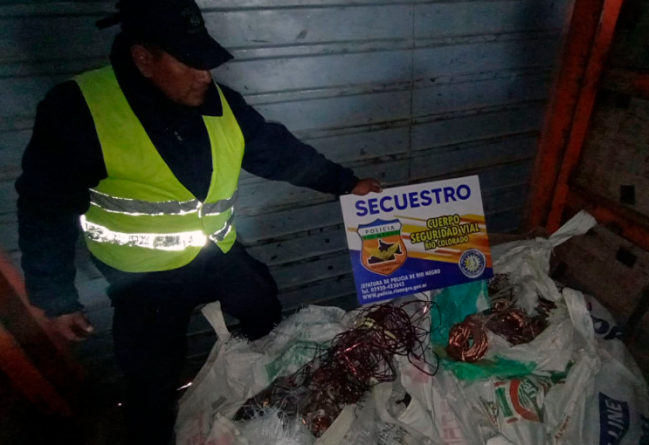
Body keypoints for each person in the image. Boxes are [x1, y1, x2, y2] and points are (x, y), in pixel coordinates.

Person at [15, 0, 381, 443]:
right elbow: (44, 207)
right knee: (151, 380)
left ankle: (261, 403)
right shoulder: (79, 109)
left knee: (263, 309)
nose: (204, 76)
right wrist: (55, 297)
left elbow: (279, 153)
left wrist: (346, 183)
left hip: (216, 254)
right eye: (189, 63)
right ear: (143, 59)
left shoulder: (221, 103)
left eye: (206, 63)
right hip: (143, 278)